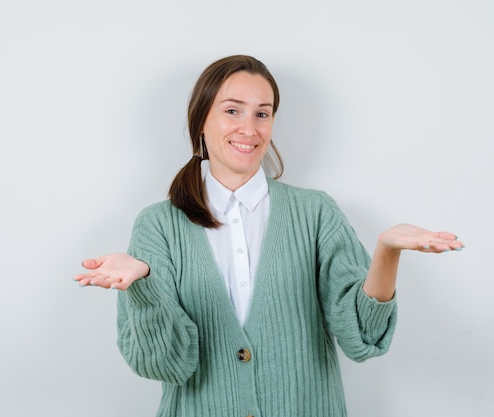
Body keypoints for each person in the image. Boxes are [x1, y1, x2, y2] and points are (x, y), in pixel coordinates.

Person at [74, 55, 464, 417]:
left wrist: (386, 253)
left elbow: (362, 336)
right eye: (232, 111)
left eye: (263, 113)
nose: (249, 128)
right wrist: (143, 285)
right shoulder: (158, 224)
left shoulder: (315, 212)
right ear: (201, 121)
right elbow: (164, 365)